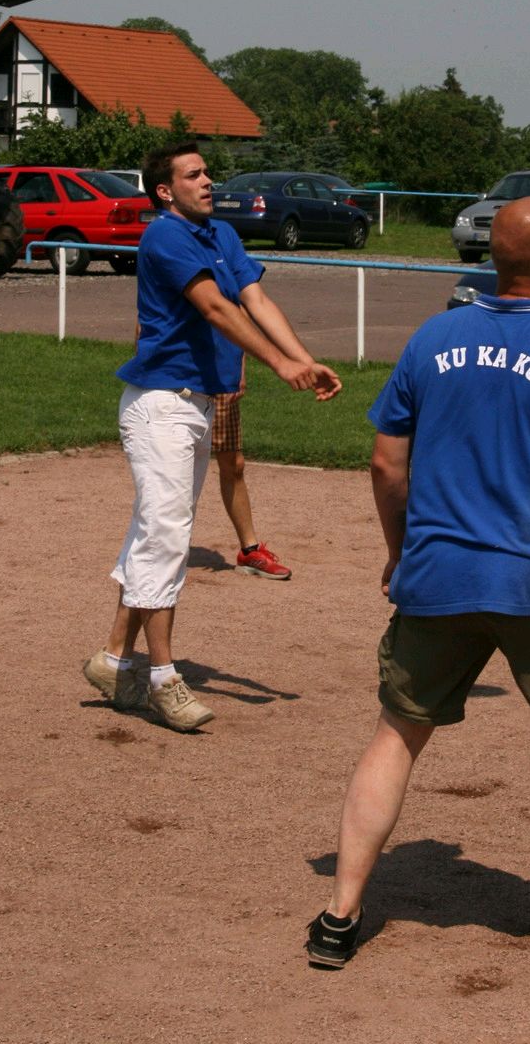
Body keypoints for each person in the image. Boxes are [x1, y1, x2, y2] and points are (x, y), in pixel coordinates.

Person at [306, 196, 530, 986]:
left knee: (397, 733)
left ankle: (339, 916)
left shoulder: (433, 338)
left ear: (491, 259)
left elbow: (386, 463)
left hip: (438, 573)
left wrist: (401, 553)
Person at [83, 141, 340, 731]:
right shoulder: (165, 236)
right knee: (167, 540)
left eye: (207, 172)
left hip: (195, 406)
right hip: (160, 405)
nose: (208, 181)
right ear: (165, 190)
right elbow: (217, 310)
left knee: (154, 533)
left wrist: (305, 360)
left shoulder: (220, 234)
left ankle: (114, 658)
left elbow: (256, 299)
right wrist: (279, 365)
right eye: (194, 174)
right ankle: (163, 678)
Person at [212, 363, 292, 579]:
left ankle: (249, 551)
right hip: (176, 382)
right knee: (177, 466)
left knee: (234, 464)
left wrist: (238, 369)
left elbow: (239, 338)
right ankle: (160, 549)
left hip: (219, 377)